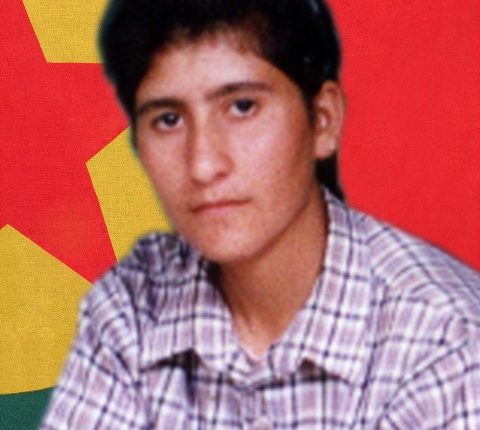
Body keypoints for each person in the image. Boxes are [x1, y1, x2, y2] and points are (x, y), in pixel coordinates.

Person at [41, 0, 480, 428]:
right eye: (169, 120)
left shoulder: (445, 341)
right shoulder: (132, 307)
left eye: (242, 107)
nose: (203, 164)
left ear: (323, 120)